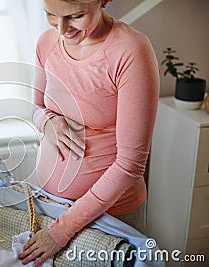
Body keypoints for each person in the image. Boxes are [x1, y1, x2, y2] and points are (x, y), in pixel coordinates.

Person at [18, 0, 160, 266]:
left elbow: (130, 165)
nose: (62, 29)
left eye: (75, 16)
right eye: (50, 14)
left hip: (110, 215)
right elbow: (35, 107)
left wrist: (62, 230)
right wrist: (47, 122)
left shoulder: (130, 51)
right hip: (53, 206)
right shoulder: (46, 43)